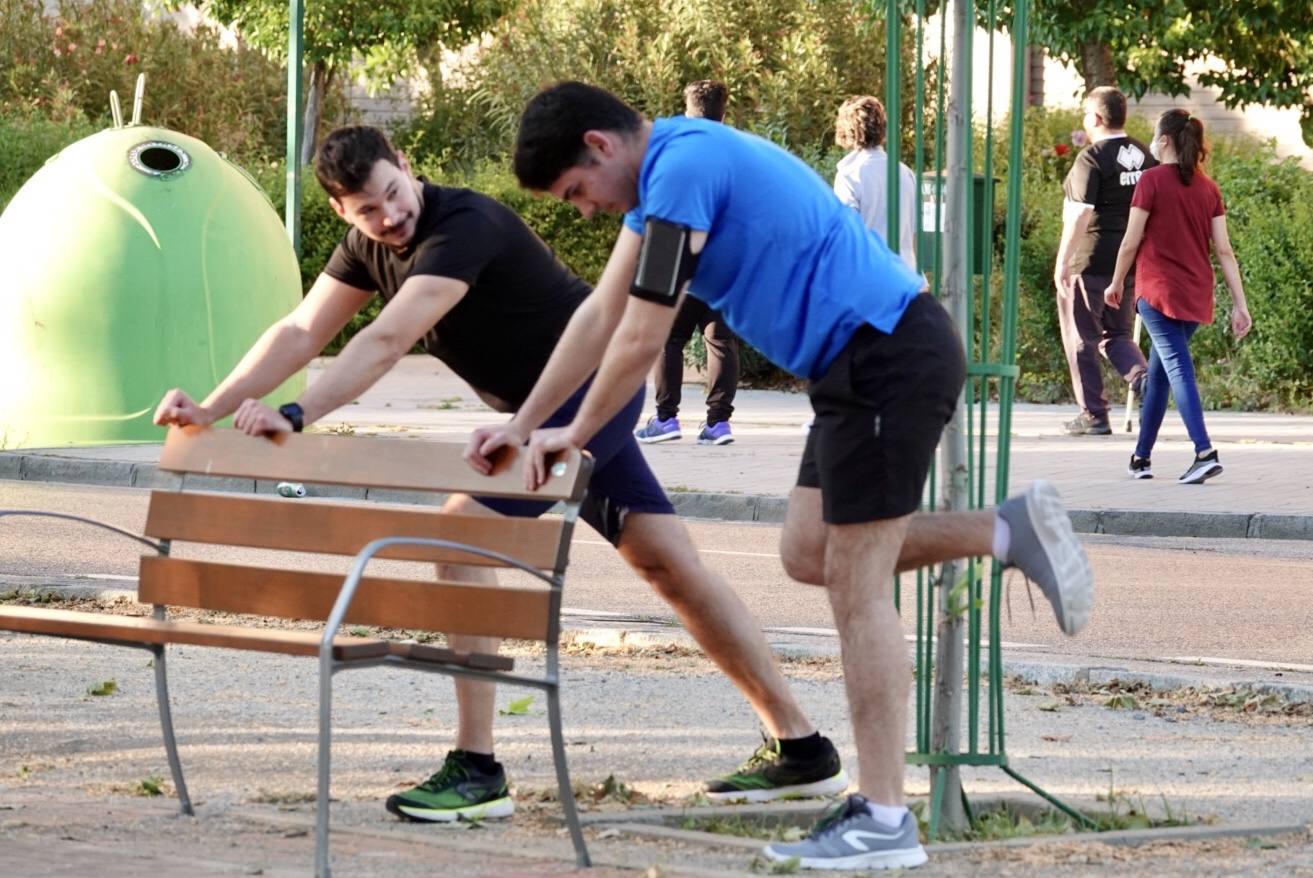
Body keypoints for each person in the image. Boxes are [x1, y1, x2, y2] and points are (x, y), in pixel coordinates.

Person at [464, 81, 1096, 871]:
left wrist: (575, 435)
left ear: (599, 145)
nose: (583, 209)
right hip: (850, 365)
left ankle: (884, 820)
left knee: (855, 588)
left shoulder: (682, 167)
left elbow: (643, 336)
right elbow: (601, 315)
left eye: (575, 191)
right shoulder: (661, 180)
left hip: (884, 350)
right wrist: (526, 424)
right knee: (807, 553)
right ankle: (1009, 528)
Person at [152, 124, 855, 823]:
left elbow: (387, 339)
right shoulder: (368, 247)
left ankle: (478, 769)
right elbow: (302, 330)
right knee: (667, 564)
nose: (389, 217)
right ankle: (802, 746)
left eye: (393, 194)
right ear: (342, 211)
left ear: (405, 162)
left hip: (592, 391)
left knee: (458, 536)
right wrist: (211, 408)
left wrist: (297, 412)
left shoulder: (465, 226)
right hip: (542, 411)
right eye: (368, 209)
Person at [1105, 109, 1251, 483]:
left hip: (1157, 293)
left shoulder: (1151, 182)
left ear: (1165, 141)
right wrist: (1240, 304)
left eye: (1155, 137)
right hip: (1195, 296)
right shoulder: (1209, 188)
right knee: (1159, 374)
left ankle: (1204, 451)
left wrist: (1116, 282)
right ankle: (1141, 457)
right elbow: (1224, 251)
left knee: (1177, 369)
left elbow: (1130, 240)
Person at [634, 79, 740, 445]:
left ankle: (666, 420)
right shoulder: (739, 152)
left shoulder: (677, 150)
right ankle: (719, 424)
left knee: (669, 338)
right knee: (721, 341)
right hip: (726, 262)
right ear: (723, 113)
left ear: (687, 111)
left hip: (687, 261)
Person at [1054, 86, 1153, 436]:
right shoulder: (1145, 155)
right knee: (1118, 334)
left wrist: (1063, 261)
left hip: (1091, 260)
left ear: (1096, 118)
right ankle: (1144, 380)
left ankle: (1094, 414)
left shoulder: (1091, 158)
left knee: (1082, 337)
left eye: (1085, 113)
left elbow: (1080, 215)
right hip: (1129, 261)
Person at [832, 95, 918, 271]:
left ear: (847, 131)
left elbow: (846, 238)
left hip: (869, 278)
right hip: (907, 278)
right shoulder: (906, 173)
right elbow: (913, 237)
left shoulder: (849, 175)